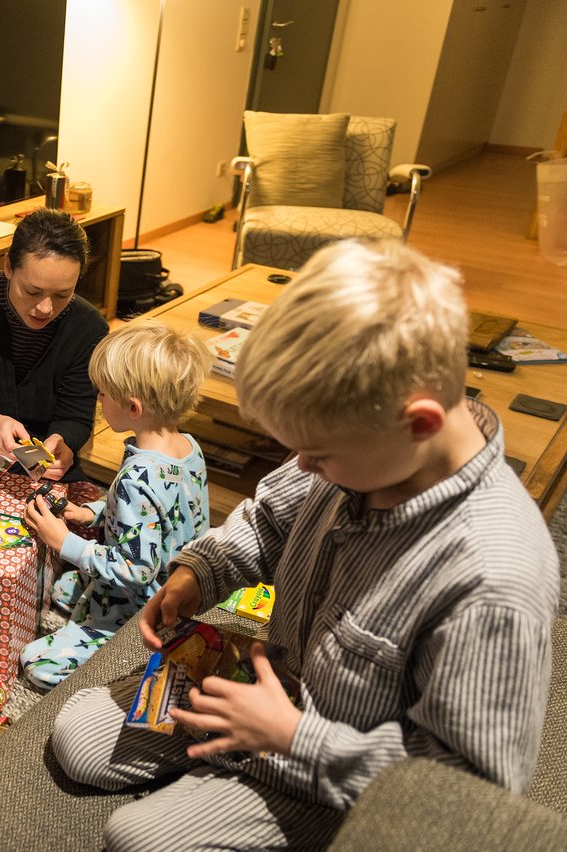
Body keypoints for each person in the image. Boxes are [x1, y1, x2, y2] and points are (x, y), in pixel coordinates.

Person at [50, 239, 560, 850]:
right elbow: (266, 519)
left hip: (335, 762)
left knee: (137, 840)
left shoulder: (492, 579)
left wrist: (294, 738)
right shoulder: (360, 446)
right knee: (77, 735)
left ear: (419, 423)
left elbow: (466, 793)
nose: (306, 469)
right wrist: (199, 571)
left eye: (318, 454)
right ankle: (219, 765)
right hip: (278, 681)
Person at [19, 320, 212, 690]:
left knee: (36, 663)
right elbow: (158, 513)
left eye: (102, 393)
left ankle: (133, 659)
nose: (98, 400)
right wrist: (93, 512)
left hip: (145, 609)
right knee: (64, 588)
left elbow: (135, 570)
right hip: (178, 586)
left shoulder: (136, 477)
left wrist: (64, 542)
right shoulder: (187, 446)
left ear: (133, 407)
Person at [0, 207, 109, 481]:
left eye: (63, 294)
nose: (45, 308)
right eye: (32, 291)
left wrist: (63, 442)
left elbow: (76, 417)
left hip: (42, 467)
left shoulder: (88, 326)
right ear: (8, 267)